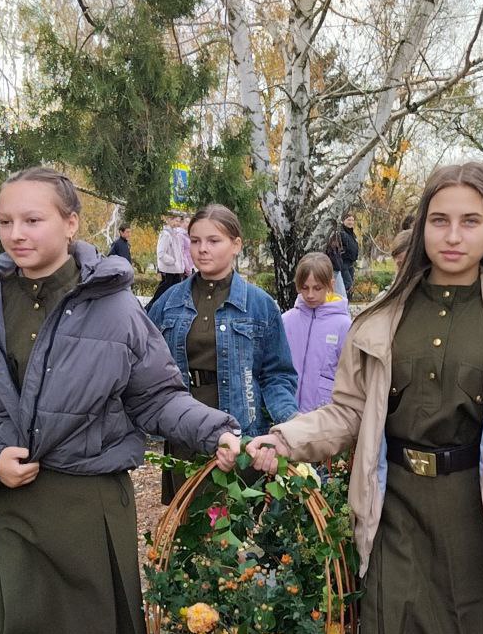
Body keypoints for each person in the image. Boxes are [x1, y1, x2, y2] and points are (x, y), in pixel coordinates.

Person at [246, 162, 483, 634]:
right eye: (439, 219)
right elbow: (346, 412)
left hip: (477, 516)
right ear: (421, 226)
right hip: (393, 508)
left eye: (470, 221)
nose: (452, 235)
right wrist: (282, 441)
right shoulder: (379, 320)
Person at [0, 167, 242, 634]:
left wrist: (216, 430)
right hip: (12, 502)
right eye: (6, 221)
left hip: (90, 500)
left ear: (71, 223)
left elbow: (157, 397)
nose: (16, 233)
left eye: (33, 219)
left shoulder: (115, 306)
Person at [147, 203, 298, 504]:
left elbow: (277, 376)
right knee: (189, 528)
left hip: (242, 434)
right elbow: (145, 368)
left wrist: (286, 429)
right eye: (195, 241)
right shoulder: (168, 303)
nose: (202, 249)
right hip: (185, 430)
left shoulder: (259, 305)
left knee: (236, 534)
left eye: (213, 241)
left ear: (236, 245)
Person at [282, 252, 352, 413]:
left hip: (325, 417)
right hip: (287, 414)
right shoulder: (286, 321)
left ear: (330, 285)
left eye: (317, 288)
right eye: (305, 288)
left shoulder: (344, 326)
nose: (310, 295)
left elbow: (349, 376)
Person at [145, 213, 189, 311]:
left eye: (178, 221)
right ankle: (149, 309)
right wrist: (173, 261)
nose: (177, 223)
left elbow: (179, 252)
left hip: (176, 270)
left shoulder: (175, 234)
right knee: (162, 292)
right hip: (169, 270)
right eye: (176, 221)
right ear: (169, 220)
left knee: (174, 292)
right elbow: (161, 253)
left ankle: (166, 310)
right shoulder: (165, 234)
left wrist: (180, 264)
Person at [337, 213, 360, 298]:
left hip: (351, 263)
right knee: (347, 284)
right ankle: (343, 304)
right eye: (349, 220)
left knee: (350, 287)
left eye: (352, 220)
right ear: (343, 221)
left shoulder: (352, 234)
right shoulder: (341, 233)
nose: (351, 222)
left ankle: (346, 305)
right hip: (344, 263)